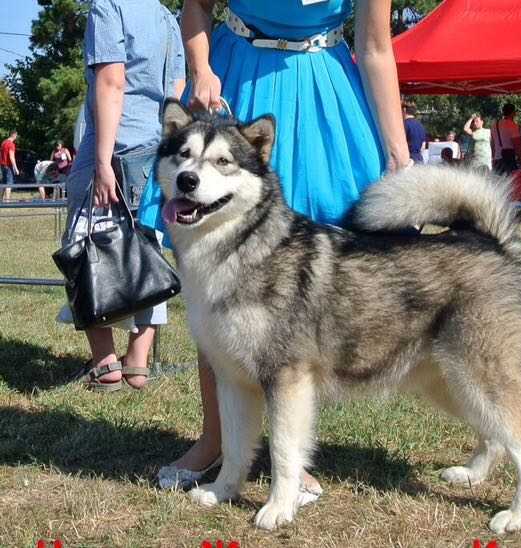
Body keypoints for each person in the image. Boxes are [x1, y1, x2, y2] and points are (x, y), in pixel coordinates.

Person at [141, 0, 410, 493]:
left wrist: (398, 150)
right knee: (214, 277)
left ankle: (292, 454)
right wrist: (200, 69)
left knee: (311, 283)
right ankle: (214, 441)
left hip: (327, 95)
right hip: (239, 75)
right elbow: (195, 6)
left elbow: (375, 46)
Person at [62, 0, 185, 391]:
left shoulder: (108, 6)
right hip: (155, 149)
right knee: (146, 254)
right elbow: (176, 90)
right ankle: (138, 362)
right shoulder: (168, 17)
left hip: (113, 146)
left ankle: (105, 364)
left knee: (83, 249)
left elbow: (111, 81)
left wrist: (101, 161)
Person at [492, 103, 521, 175]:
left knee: (498, 184)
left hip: (497, 158)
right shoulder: (512, 125)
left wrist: (493, 158)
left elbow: (492, 144)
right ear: (513, 113)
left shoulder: (495, 124)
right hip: (509, 160)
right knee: (510, 184)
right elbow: (517, 145)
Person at [1, 131, 19, 202]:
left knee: (3, 183)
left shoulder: (3, 142)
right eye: (16, 136)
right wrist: (16, 168)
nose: (16, 137)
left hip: (2, 166)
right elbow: (12, 157)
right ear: (13, 135)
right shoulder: (11, 144)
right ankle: (7, 201)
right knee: (9, 183)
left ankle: (1, 200)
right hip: (8, 166)